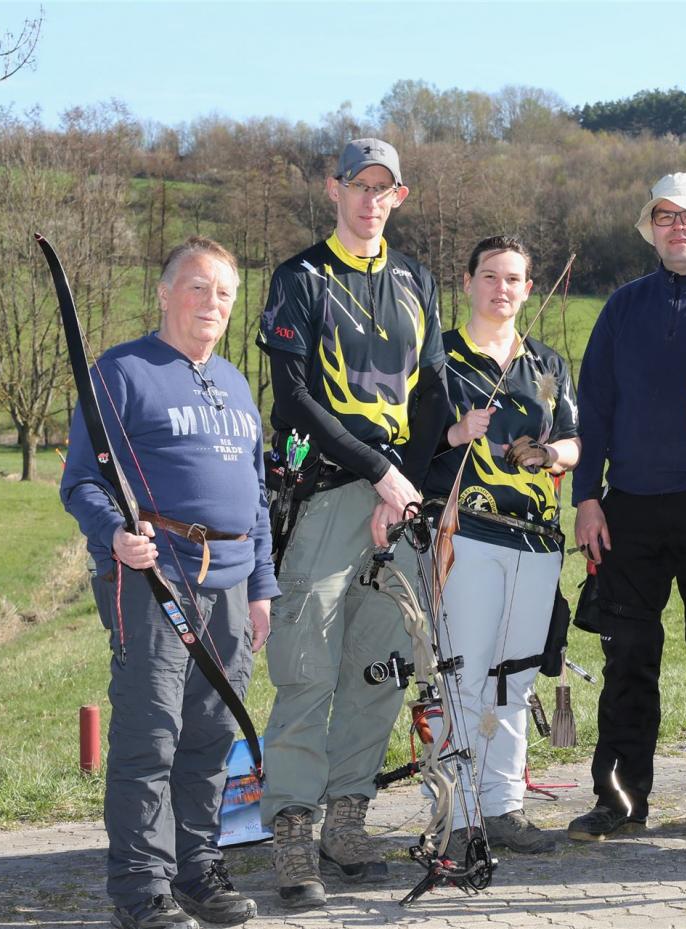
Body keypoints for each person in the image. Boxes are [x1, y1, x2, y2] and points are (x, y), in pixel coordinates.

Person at [62, 237, 275, 929]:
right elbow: (82, 480)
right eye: (198, 286)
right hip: (154, 579)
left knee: (211, 736)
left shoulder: (237, 383)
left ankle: (196, 869)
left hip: (232, 586)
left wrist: (262, 587)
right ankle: (140, 887)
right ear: (163, 293)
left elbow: (258, 496)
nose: (212, 302)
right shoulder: (121, 372)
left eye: (224, 292)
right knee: (150, 734)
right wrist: (114, 536)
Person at [257, 138, 443, 907]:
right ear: (333, 189)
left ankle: (346, 821)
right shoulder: (300, 278)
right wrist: (378, 474)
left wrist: (408, 490)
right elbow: (294, 399)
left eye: (382, 187)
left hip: (396, 507)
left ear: (399, 196)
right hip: (326, 494)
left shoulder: (416, 280)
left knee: (379, 668)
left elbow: (432, 394)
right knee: (307, 668)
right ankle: (293, 831)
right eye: (357, 185)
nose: (370, 200)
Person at [567, 172, 686, 841]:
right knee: (627, 661)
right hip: (628, 509)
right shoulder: (623, 307)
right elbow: (594, 408)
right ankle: (620, 800)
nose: (679, 228)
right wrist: (587, 497)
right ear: (650, 229)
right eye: (665, 217)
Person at [401, 235, 580, 855]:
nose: (501, 289)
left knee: (516, 677)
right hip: (468, 532)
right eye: (490, 276)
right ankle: (456, 814)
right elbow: (406, 444)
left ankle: (503, 806)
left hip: (538, 539)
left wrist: (549, 453)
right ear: (469, 282)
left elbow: (575, 440)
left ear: (529, 289)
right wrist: (456, 432)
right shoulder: (439, 358)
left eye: (513, 279)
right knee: (463, 674)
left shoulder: (547, 364)